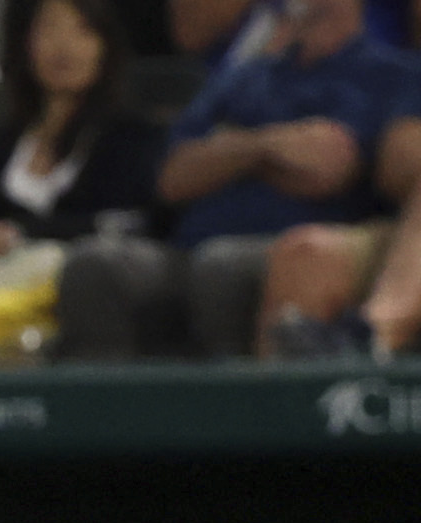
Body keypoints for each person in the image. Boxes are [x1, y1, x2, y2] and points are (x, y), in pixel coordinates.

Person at [55, 0, 412, 357]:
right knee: (95, 265)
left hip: (277, 248)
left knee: (222, 266)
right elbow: (171, 178)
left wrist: (227, 147)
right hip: (185, 247)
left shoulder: (389, 75)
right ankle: (107, 410)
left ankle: (232, 410)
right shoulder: (246, 75)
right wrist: (266, 148)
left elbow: (329, 169)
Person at [0, 0, 167, 250]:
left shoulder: (131, 137)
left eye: (83, 30)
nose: (64, 46)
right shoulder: (6, 141)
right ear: (25, 41)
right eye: (49, 29)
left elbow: (125, 222)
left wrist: (19, 235)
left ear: (106, 46)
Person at [253, 108, 421, 353]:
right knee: (308, 257)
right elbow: (396, 160)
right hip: (408, 227)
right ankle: (290, 390)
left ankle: (375, 334)